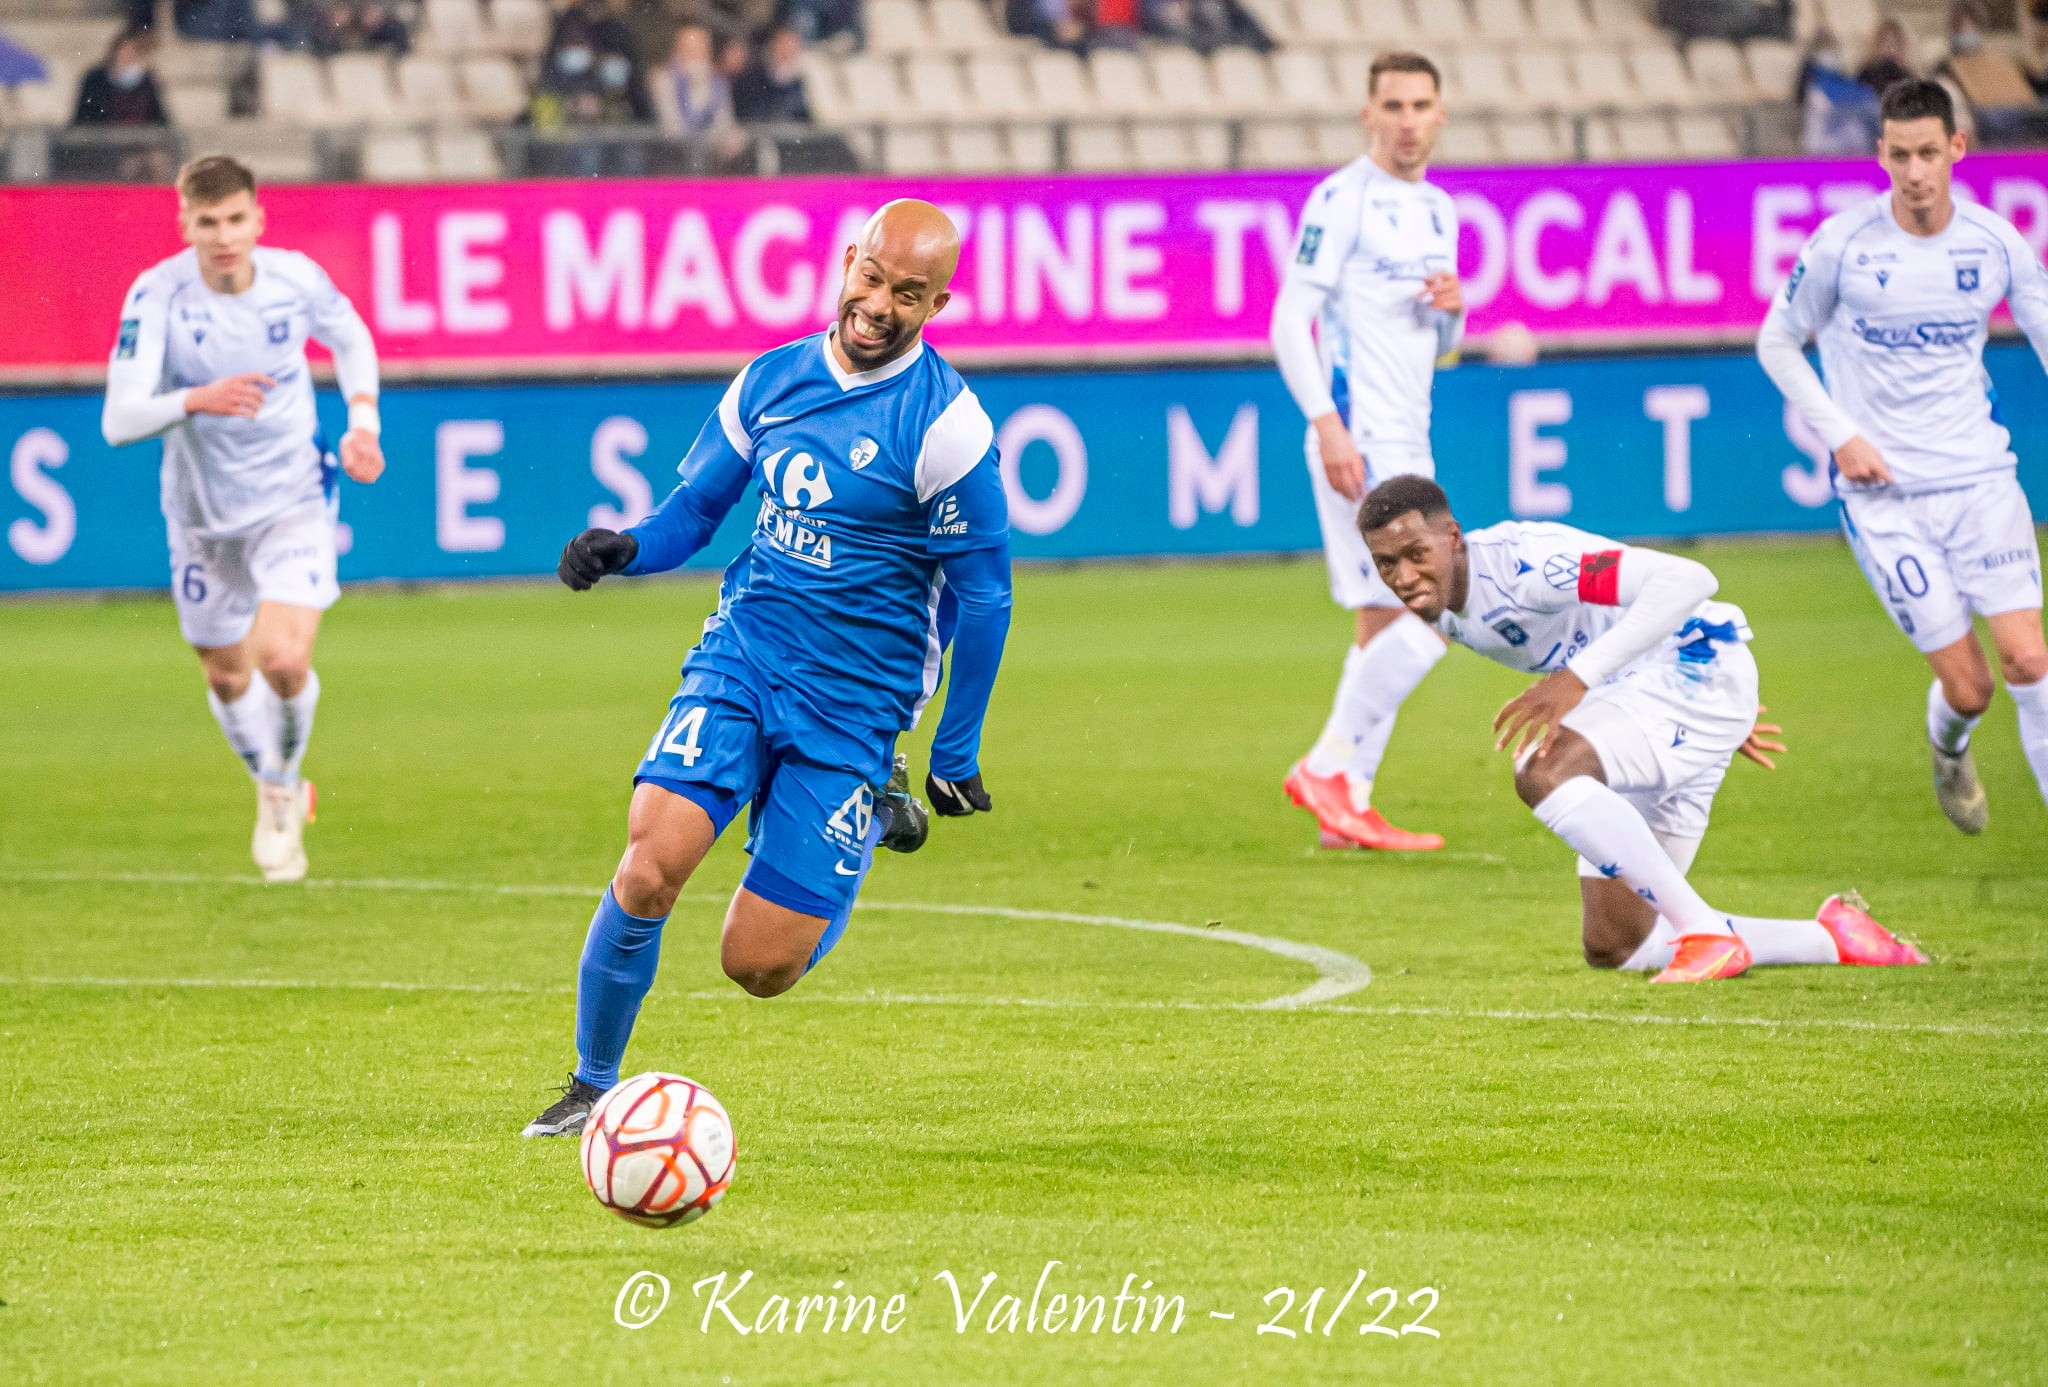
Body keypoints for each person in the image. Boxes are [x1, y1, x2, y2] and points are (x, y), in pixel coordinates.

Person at [523, 201, 1012, 1137]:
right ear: (846, 262)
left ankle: (867, 806)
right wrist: (628, 546)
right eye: (870, 277)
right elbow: (696, 508)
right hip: (744, 659)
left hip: (855, 705)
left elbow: (984, 596)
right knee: (648, 865)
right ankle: (590, 1087)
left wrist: (955, 748)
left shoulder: (947, 427)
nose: (878, 306)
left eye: (907, 294)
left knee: (757, 964)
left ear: (937, 304)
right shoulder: (771, 379)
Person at [1359, 477, 1929, 983]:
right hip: (1659, 701)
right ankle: (1834, 938)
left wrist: (1579, 680)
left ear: (1453, 537)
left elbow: (1688, 579)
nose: (1404, 577)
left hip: (1689, 676)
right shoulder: (1440, 603)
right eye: (1387, 564)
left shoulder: (1528, 570)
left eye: (1416, 554)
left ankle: (1706, 931)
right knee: (1617, 945)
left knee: (1541, 769)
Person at [1757, 78, 2048, 835]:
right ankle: (1948, 748)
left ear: (1958, 148)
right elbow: (1778, 340)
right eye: (1899, 156)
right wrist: (1840, 434)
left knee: (2028, 661)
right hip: (1885, 498)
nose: (1915, 172)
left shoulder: (1993, 243)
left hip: (1981, 480)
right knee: (1972, 687)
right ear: (1880, 155)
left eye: (1928, 153)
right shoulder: (1842, 246)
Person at [99, 155, 384, 882]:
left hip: (294, 496)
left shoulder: (295, 279)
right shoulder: (157, 295)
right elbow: (119, 418)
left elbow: (350, 337)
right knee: (228, 679)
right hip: (201, 517)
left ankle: (283, 785)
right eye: (207, 222)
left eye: (235, 219)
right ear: (185, 225)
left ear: (258, 219)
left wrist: (363, 421)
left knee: (284, 661)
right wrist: (196, 398)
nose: (223, 236)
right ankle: (270, 773)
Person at [1270, 50, 1462, 853]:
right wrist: (1327, 424)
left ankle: (1345, 806)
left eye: (1422, 104)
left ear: (1440, 114)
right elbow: (1288, 320)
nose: (1409, 119)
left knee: (1383, 620)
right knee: (1437, 604)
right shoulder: (1342, 199)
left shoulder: (1438, 211)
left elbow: (1440, 349)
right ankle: (1327, 768)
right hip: (1360, 436)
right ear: (1369, 114)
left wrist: (1455, 314)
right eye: (1394, 104)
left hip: (1407, 433)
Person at [72, 30, 169, 127]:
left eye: (131, 53)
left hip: (141, 138)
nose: (125, 56)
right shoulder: (95, 79)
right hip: (104, 138)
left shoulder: (147, 81)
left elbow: (159, 117)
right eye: (122, 51)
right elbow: (84, 116)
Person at [732, 25, 811, 123]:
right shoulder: (750, 79)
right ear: (771, 46)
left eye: (790, 47)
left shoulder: (804, 84)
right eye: (781, 45)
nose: (785, 52)